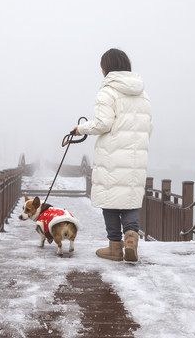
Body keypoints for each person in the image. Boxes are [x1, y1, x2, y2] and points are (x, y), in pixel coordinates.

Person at [73, 48, 152, 262]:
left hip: (111, 155)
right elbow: (148, 127)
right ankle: (132, 237)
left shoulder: (107, 91)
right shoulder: (142, 93)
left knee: (110, 200)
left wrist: (81, 129)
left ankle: (115, 247)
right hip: (136, 156)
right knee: (129, 199)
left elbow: (103, 123)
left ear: (106, 67)